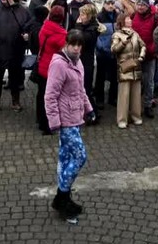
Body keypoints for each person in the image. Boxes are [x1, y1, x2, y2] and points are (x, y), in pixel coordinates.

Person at [44, 30, 95, 219]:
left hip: (75, 117)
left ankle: (63, 199)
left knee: (66, 158)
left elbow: (80, 90)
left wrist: (88, 109)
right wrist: (55, 122)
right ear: (66, 43)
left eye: (79, 45)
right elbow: (50, 96)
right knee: (80, 156)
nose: (76, 48)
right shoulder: (58, 64)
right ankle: (62, 194)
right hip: (65, 121)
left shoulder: (77, 61)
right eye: (73, 44)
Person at [0, 0, 33, 112]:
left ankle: (15, 101)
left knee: (15, 77)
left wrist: (27, 36)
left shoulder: (23, 10)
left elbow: (30, 26)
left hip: (16, 49)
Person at [110, 12, 146, 129]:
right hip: (125, 67)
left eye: (130, 19)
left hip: (136, 66)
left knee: (136, 94)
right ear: (122, 21)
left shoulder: (135, 34)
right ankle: (122, 118)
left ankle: (136, 116)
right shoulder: (117, 35)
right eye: (128, 19)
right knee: (124, 95)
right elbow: (113, 49)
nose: (130, 20)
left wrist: (141, 56)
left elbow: (143, 45)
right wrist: (123, 42)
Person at [36, 6, 68, 135]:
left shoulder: (45, 27)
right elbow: (66, 51)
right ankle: (48, 125)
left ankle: (40, 120)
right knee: (51, 97)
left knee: (41, 94)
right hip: (53, 69)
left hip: (43, 64)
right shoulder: (61, 34)